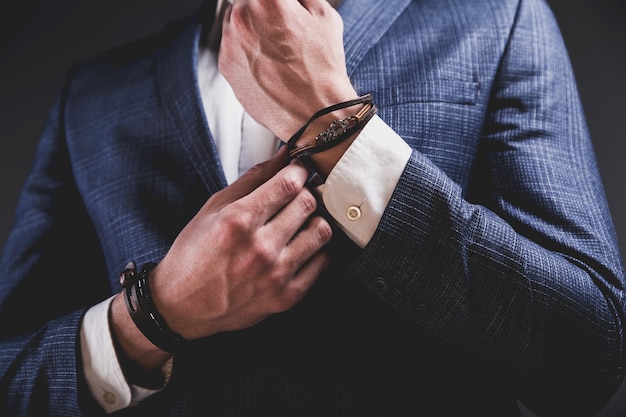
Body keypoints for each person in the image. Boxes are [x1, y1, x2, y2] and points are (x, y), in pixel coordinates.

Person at [0, 0, 624, 415]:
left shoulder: (497, 17)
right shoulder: (96, 91)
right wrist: (154, 316)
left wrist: (337, 126)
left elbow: (590, 358)